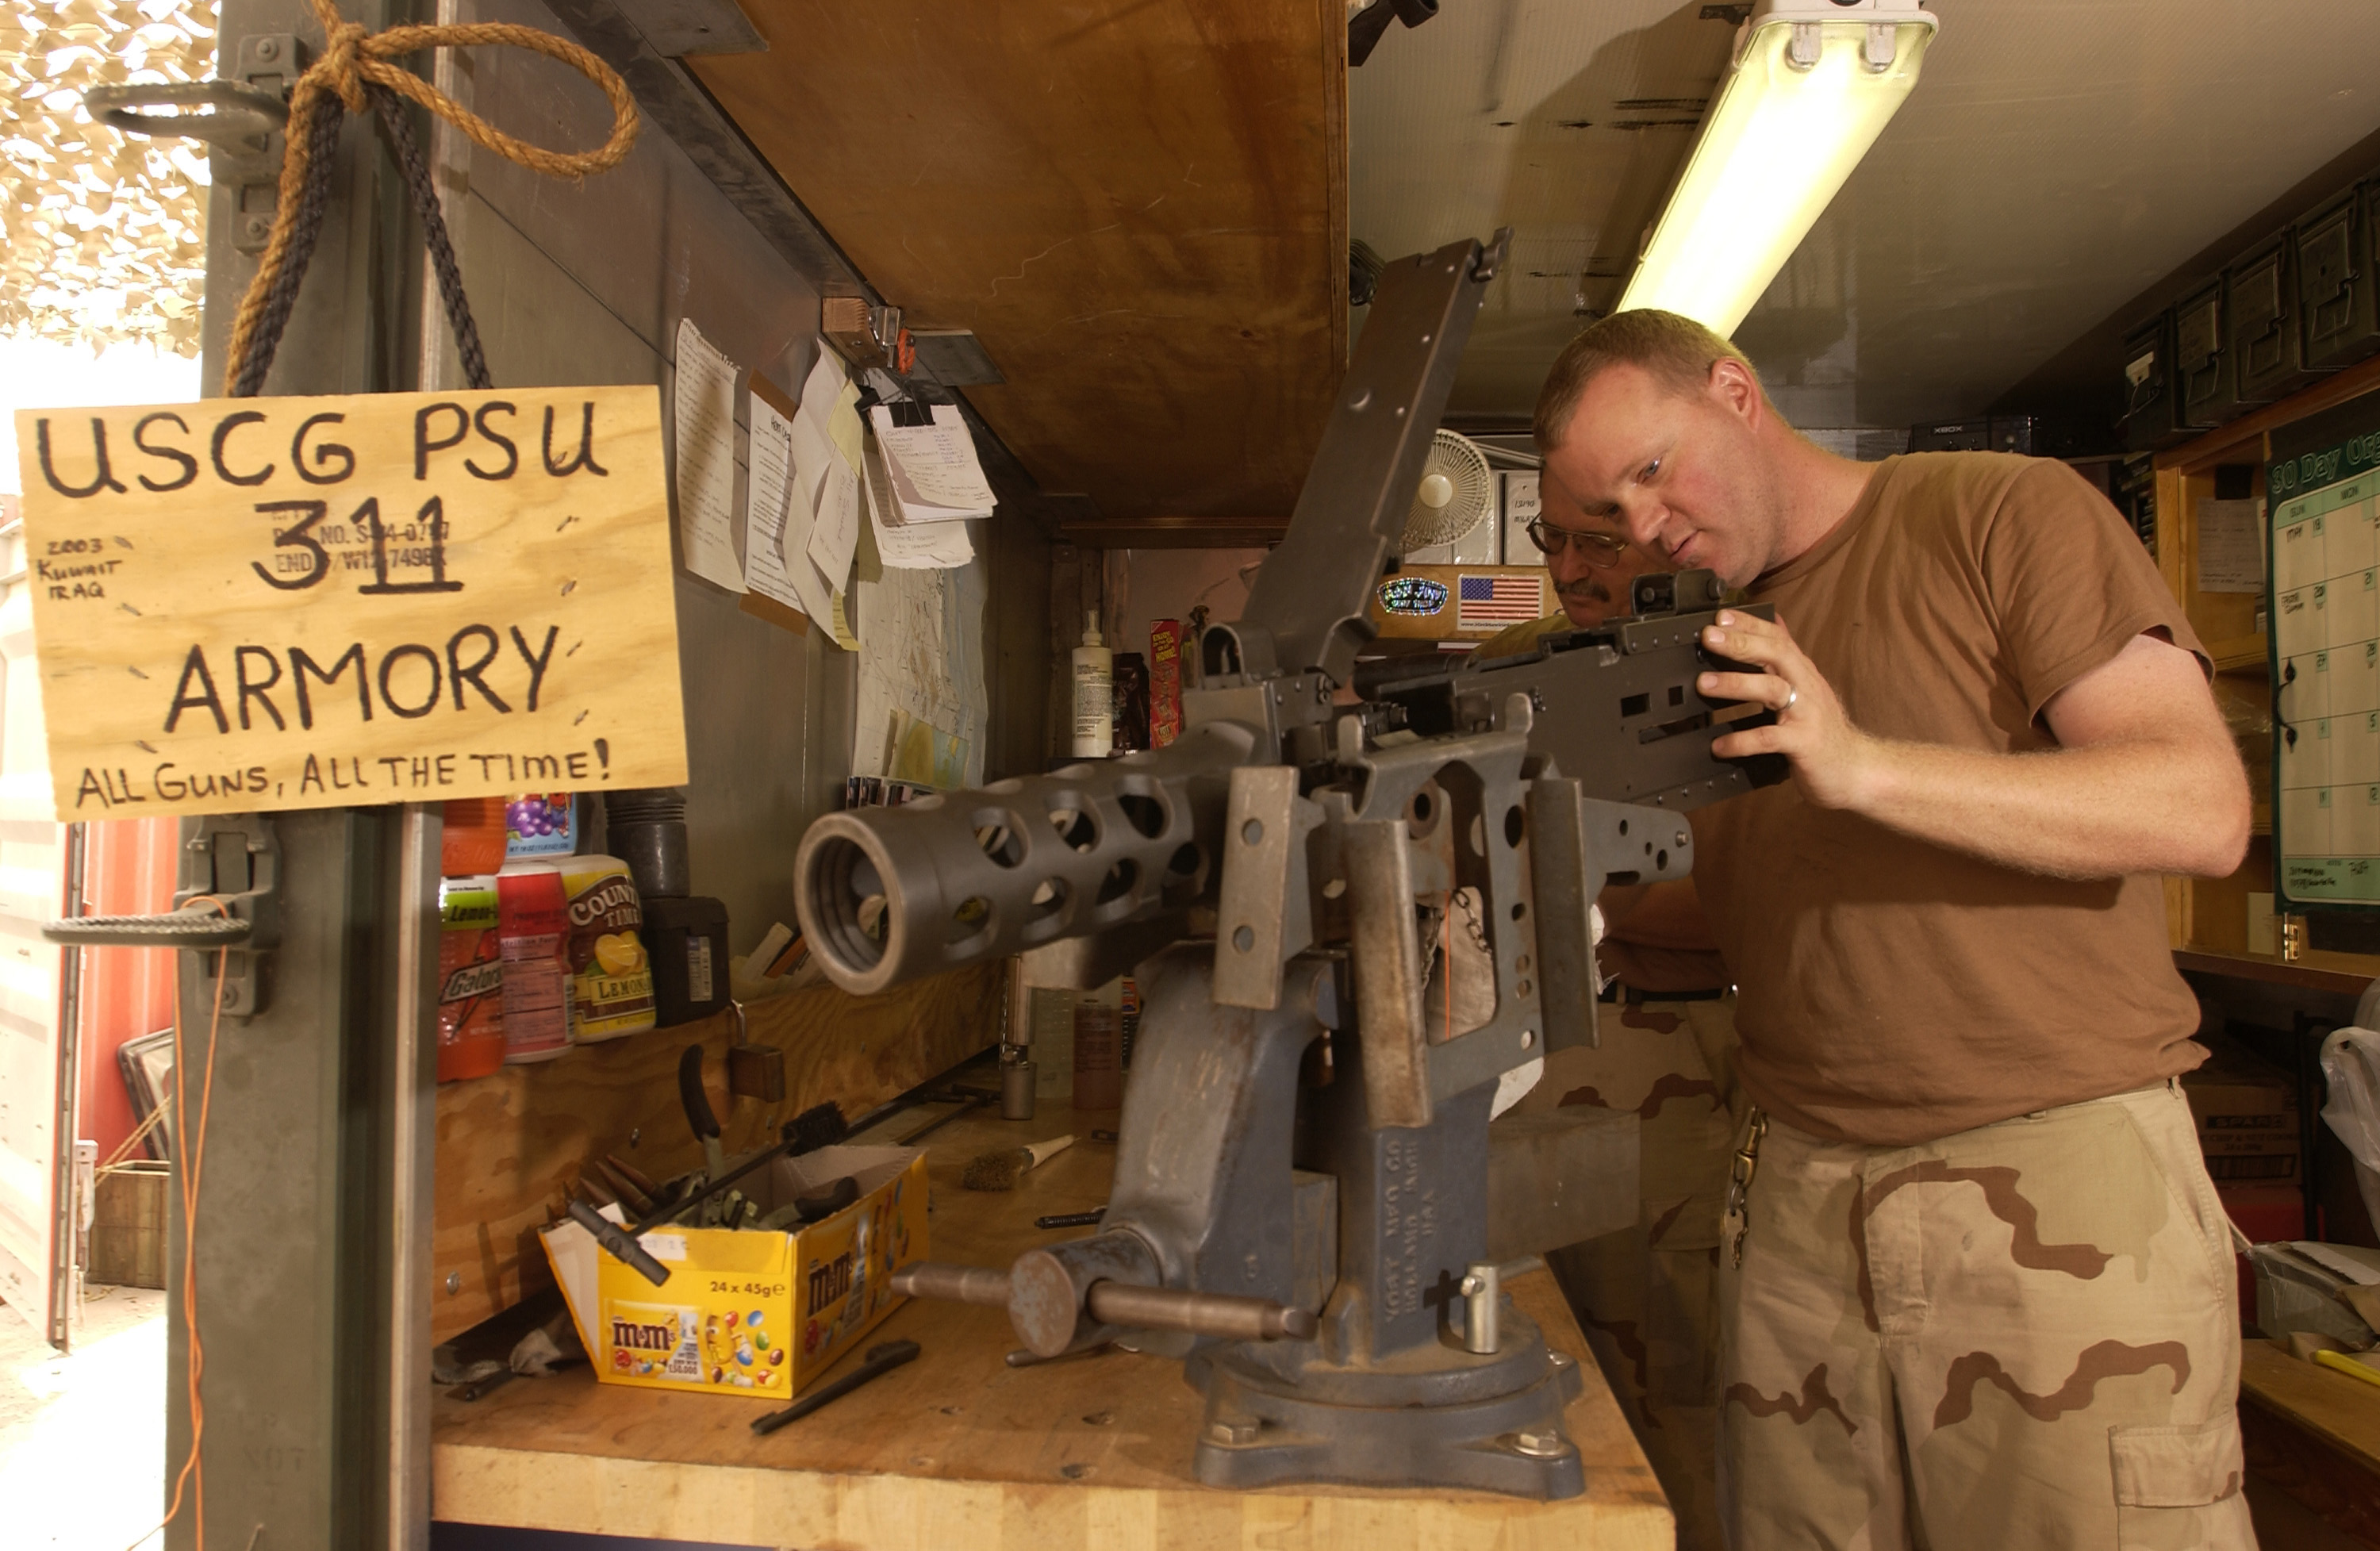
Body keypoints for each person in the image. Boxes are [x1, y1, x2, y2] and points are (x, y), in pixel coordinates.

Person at [1533, 309, 2256, 1550]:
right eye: (1610, 514)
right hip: (1801, 1185)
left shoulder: (1999, 514)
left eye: (1654, 470)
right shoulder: (1692, 635)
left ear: (1733, 391)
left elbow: (2198, 808)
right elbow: (1778, 898)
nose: (1646, 527)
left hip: (2055, 1187)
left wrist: (1864, 765)